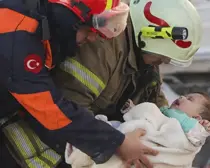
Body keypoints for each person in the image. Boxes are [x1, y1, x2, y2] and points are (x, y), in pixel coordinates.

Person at [0, 0, 158, 167]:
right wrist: (116, 142)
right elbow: (49, 107)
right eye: (87, 30)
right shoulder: (19, 38)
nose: (91, 38)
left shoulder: (40, 23)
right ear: (68, 17)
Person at [65, 92, 210, 167]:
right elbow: (147, 118)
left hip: (152, 153)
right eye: (185, 95)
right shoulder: (164, 114)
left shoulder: (191, 131)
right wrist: (133, 110)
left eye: (190, 99)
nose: (182, 97)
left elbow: (196, 139)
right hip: (135, 140)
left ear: (197, 119)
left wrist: (203, 129)